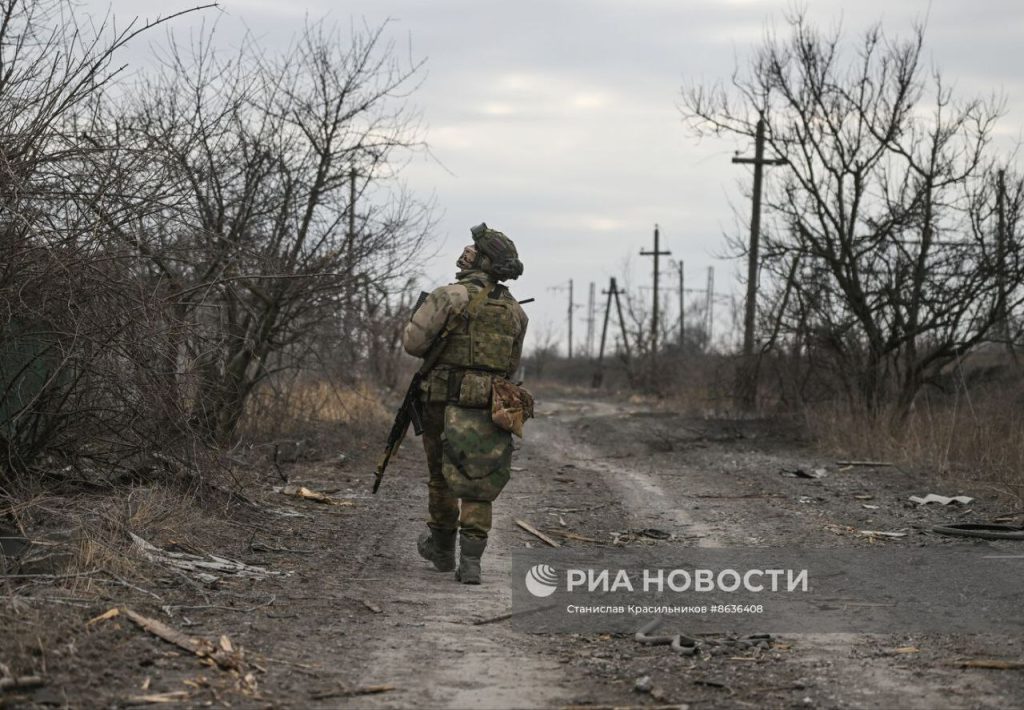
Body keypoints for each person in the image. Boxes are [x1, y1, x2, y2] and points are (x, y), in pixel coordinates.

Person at [402, 223, 528, 584]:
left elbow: (413, 344)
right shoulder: (515, 310)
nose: (466, 252)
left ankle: (442, 549)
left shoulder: (450, 296)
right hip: (489, 402)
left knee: (441, 475)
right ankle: (471, 561)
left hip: (442, 399)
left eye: (474, 249)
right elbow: (510, 366)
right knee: (479, 477)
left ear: (483, 260)